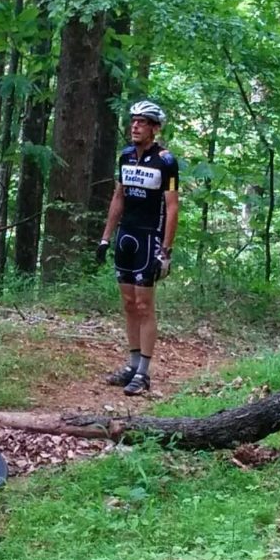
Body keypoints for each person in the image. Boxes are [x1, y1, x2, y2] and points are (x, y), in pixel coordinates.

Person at [96, 100, 180, 397]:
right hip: (125, 237)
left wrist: (166, 251)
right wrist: (105, 238)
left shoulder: (166, 161)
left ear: (155, 128)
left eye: (142, 122)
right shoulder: (126, 156)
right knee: (128, 303)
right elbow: (118, 198)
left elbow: (172, 208)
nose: (134, 126)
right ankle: (131, 366)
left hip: (149, 239)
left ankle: (144, 372)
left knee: (145, 305)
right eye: (133, 121)